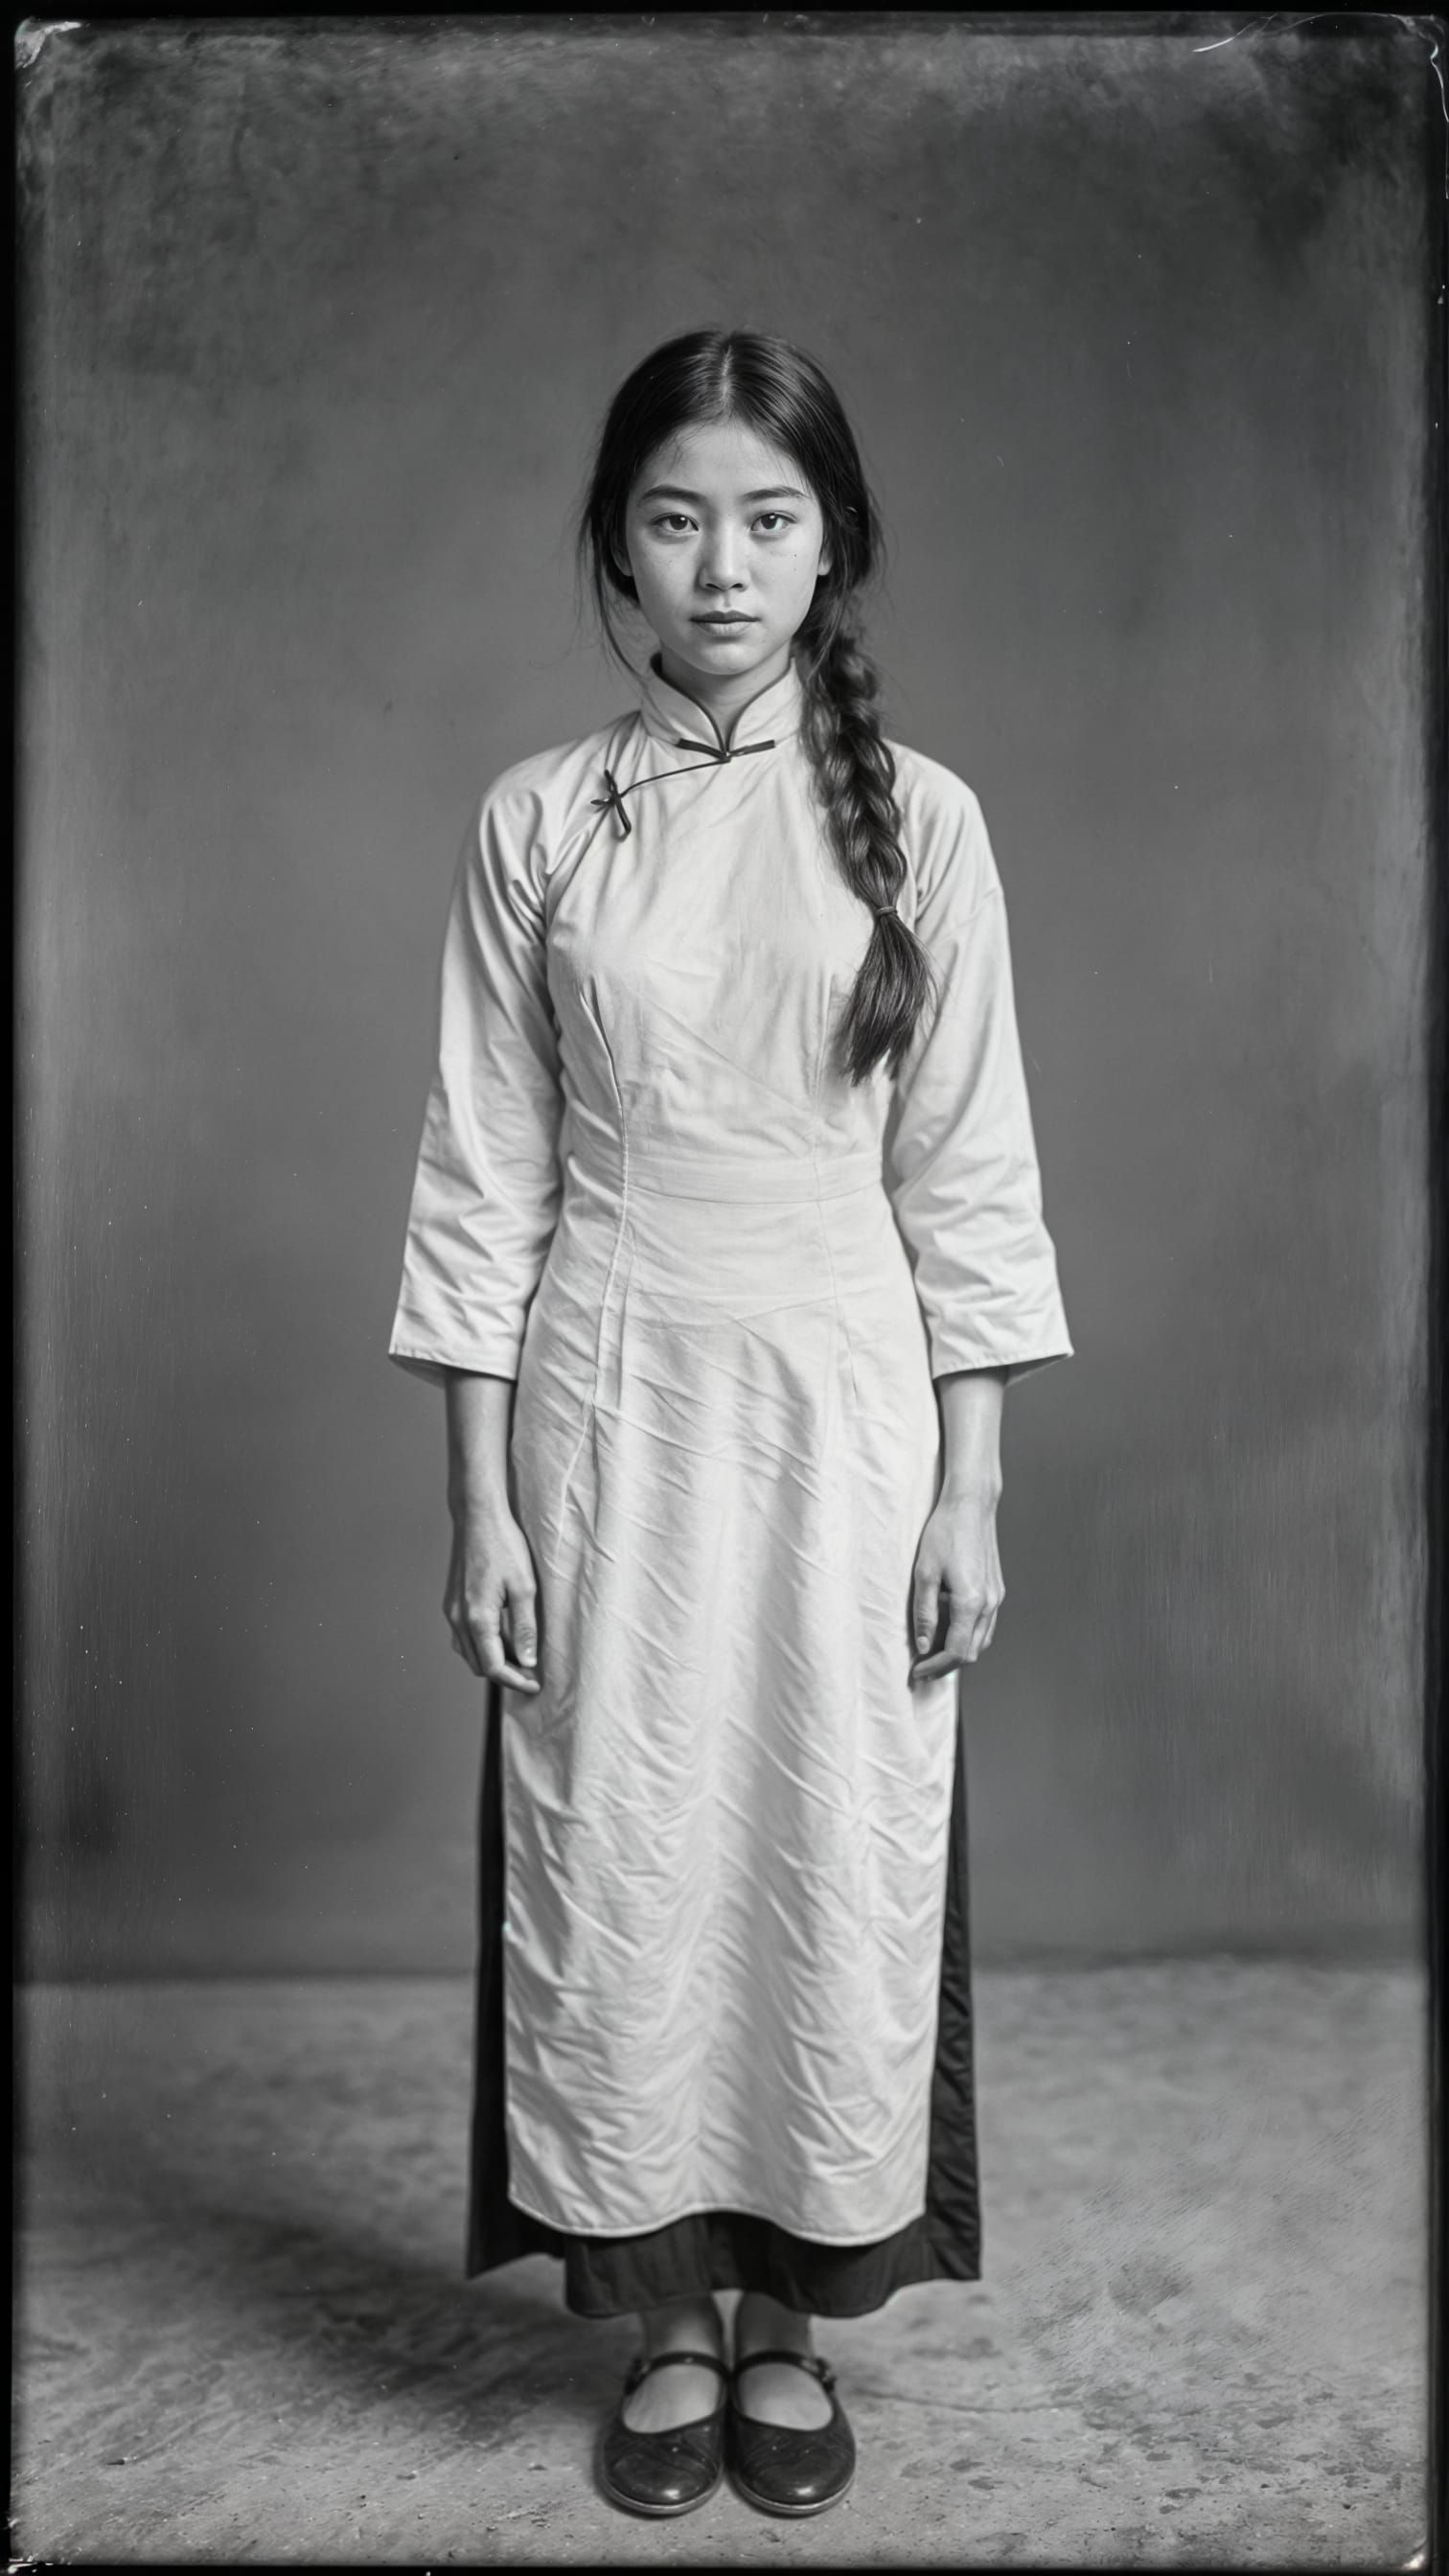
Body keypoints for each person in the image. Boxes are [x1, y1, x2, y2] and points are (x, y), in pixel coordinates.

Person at [388, 327, 1071, 2519]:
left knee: (824, 1846)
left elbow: (969, 1182)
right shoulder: (539, 821)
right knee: (630, 1850)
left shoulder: (923, 823)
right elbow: (482, 1178)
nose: (722, 565)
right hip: (611, 1405)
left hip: (846, 1417)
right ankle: (668, 2313)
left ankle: (793, 2314)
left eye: (768, 519)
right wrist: (479, 1501)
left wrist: (971, 1485)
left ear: (831, 543)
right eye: (676, 519)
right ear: (617, 544)